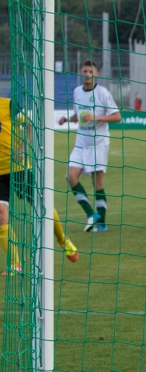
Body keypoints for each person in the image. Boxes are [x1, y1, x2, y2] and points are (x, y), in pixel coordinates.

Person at [1, 97, 79, 275]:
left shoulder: (9, 104)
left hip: (19, 168)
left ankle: (62, 239)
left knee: (42, 204)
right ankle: (15, 264)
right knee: (1, 215)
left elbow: (29, 125)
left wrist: (22, 148)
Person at [58, 60, 121, 232]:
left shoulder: (103, 93)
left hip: (98, 143)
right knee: (71, 177)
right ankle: (91, 214)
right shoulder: (77, 91)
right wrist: (67, 119)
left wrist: (96, 117)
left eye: (90, 72)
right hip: (81, 143)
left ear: (96, 74)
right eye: (85, 71)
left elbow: (117, 116)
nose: (87, 75)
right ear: (81, 73)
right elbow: (79, 115)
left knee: (96, 182)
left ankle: (102, 224)